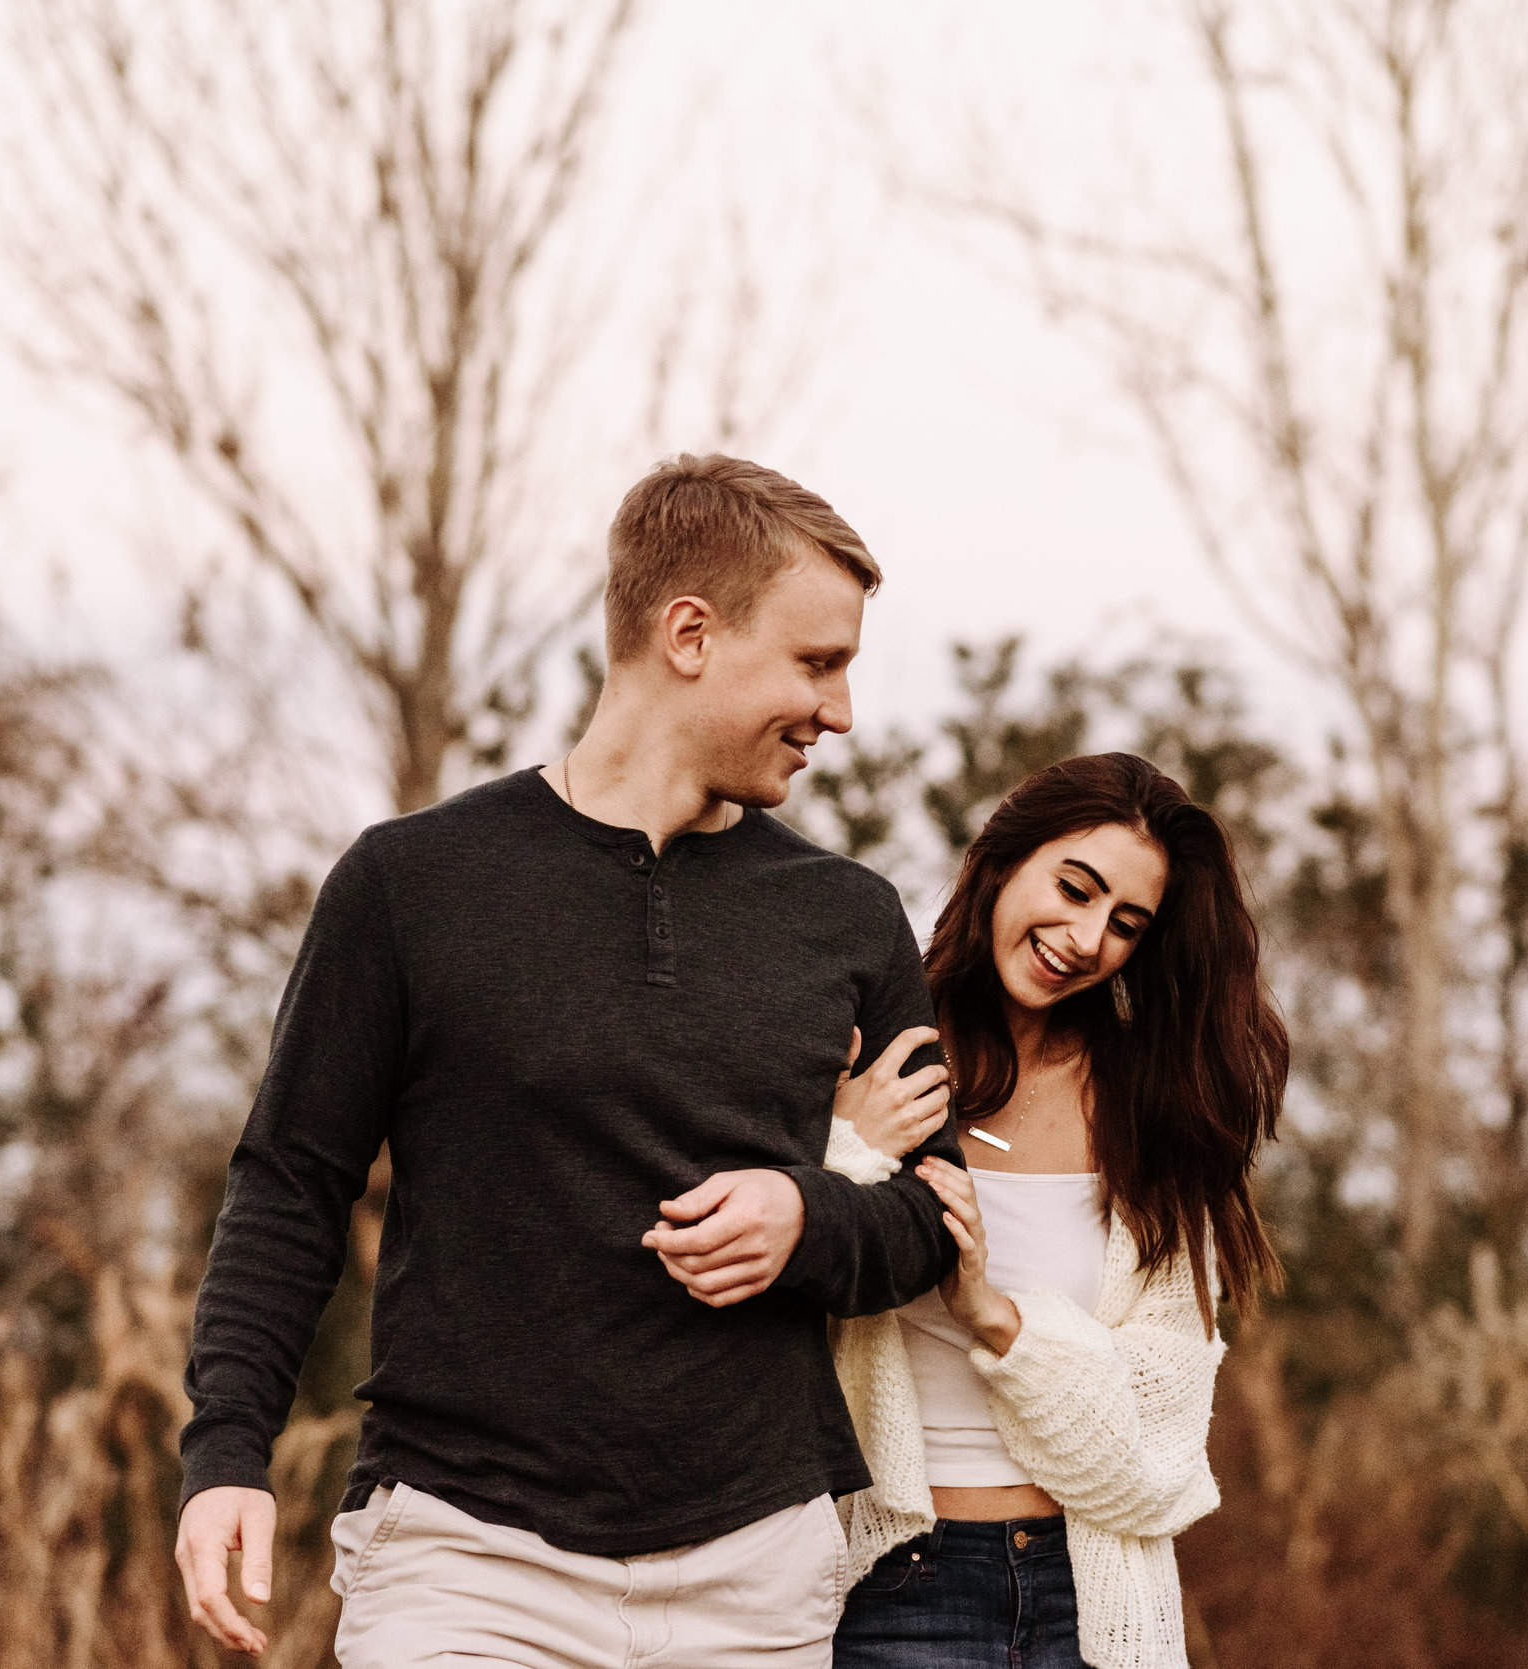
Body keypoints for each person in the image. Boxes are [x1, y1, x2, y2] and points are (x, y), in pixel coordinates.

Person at [172, 453, 962, 1668]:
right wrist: (226, 1450)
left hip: (754, 1574)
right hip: (466, 1561)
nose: (841, 711)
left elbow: (933, 1219)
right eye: (817, 662)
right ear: (688, 633)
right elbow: (289, 1183)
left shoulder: (847, 917)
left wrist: (805, 1218)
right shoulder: (411, 884)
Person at [817, 753, 1289, 1669]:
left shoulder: (1150, 1109)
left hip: (1098, 1602)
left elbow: (1158, 1451)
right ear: (1003, 858)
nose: (1085, 935)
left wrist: (995, 1317)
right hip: (894, 1589)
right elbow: (781, 1295)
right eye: (1074, 887)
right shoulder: (864, 1054)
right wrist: (852, 1148)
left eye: (1125, 922)